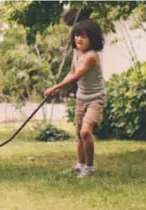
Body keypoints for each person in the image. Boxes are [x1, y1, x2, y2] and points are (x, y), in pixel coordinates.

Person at [44, 19, 106, 178]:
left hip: (95, 99)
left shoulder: (91, 56)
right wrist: (57, 88)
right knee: (79, 134)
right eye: (77, 35)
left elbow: (77, 76)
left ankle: (89, 167)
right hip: (81, 98)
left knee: (86, 132)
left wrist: (55, 88)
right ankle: (80, 165)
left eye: (84, 37)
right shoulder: (76, 52)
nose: (79, 39)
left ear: (93, 39)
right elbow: (71, 72)